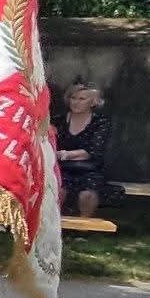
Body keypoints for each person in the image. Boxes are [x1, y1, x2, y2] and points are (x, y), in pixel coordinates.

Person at [56, 80, 121, 216]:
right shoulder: (58, 121)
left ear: (93, 102)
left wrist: (66, 154)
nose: (76, 102)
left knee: (87, 194)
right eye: (73, 98)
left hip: (90, 169)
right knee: (57, 190)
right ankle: (56, 223)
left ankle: (85, 224)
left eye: (82, 99)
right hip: (62, 168)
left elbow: (94, 151)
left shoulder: (100, 122)